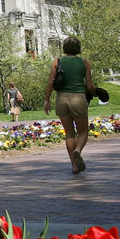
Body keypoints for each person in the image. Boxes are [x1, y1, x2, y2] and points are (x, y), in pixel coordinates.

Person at [44, 36, 96, 175]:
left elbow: (50, 82)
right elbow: (90, 86)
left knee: (69, 134)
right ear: (78, 47)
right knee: (83, 131)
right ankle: (78, 151)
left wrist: (46, 100)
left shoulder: (57, 62)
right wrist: (96, 92)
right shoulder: (84, 63)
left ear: (64, 48)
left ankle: (74, 165)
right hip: (78, 98)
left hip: (61, 99)